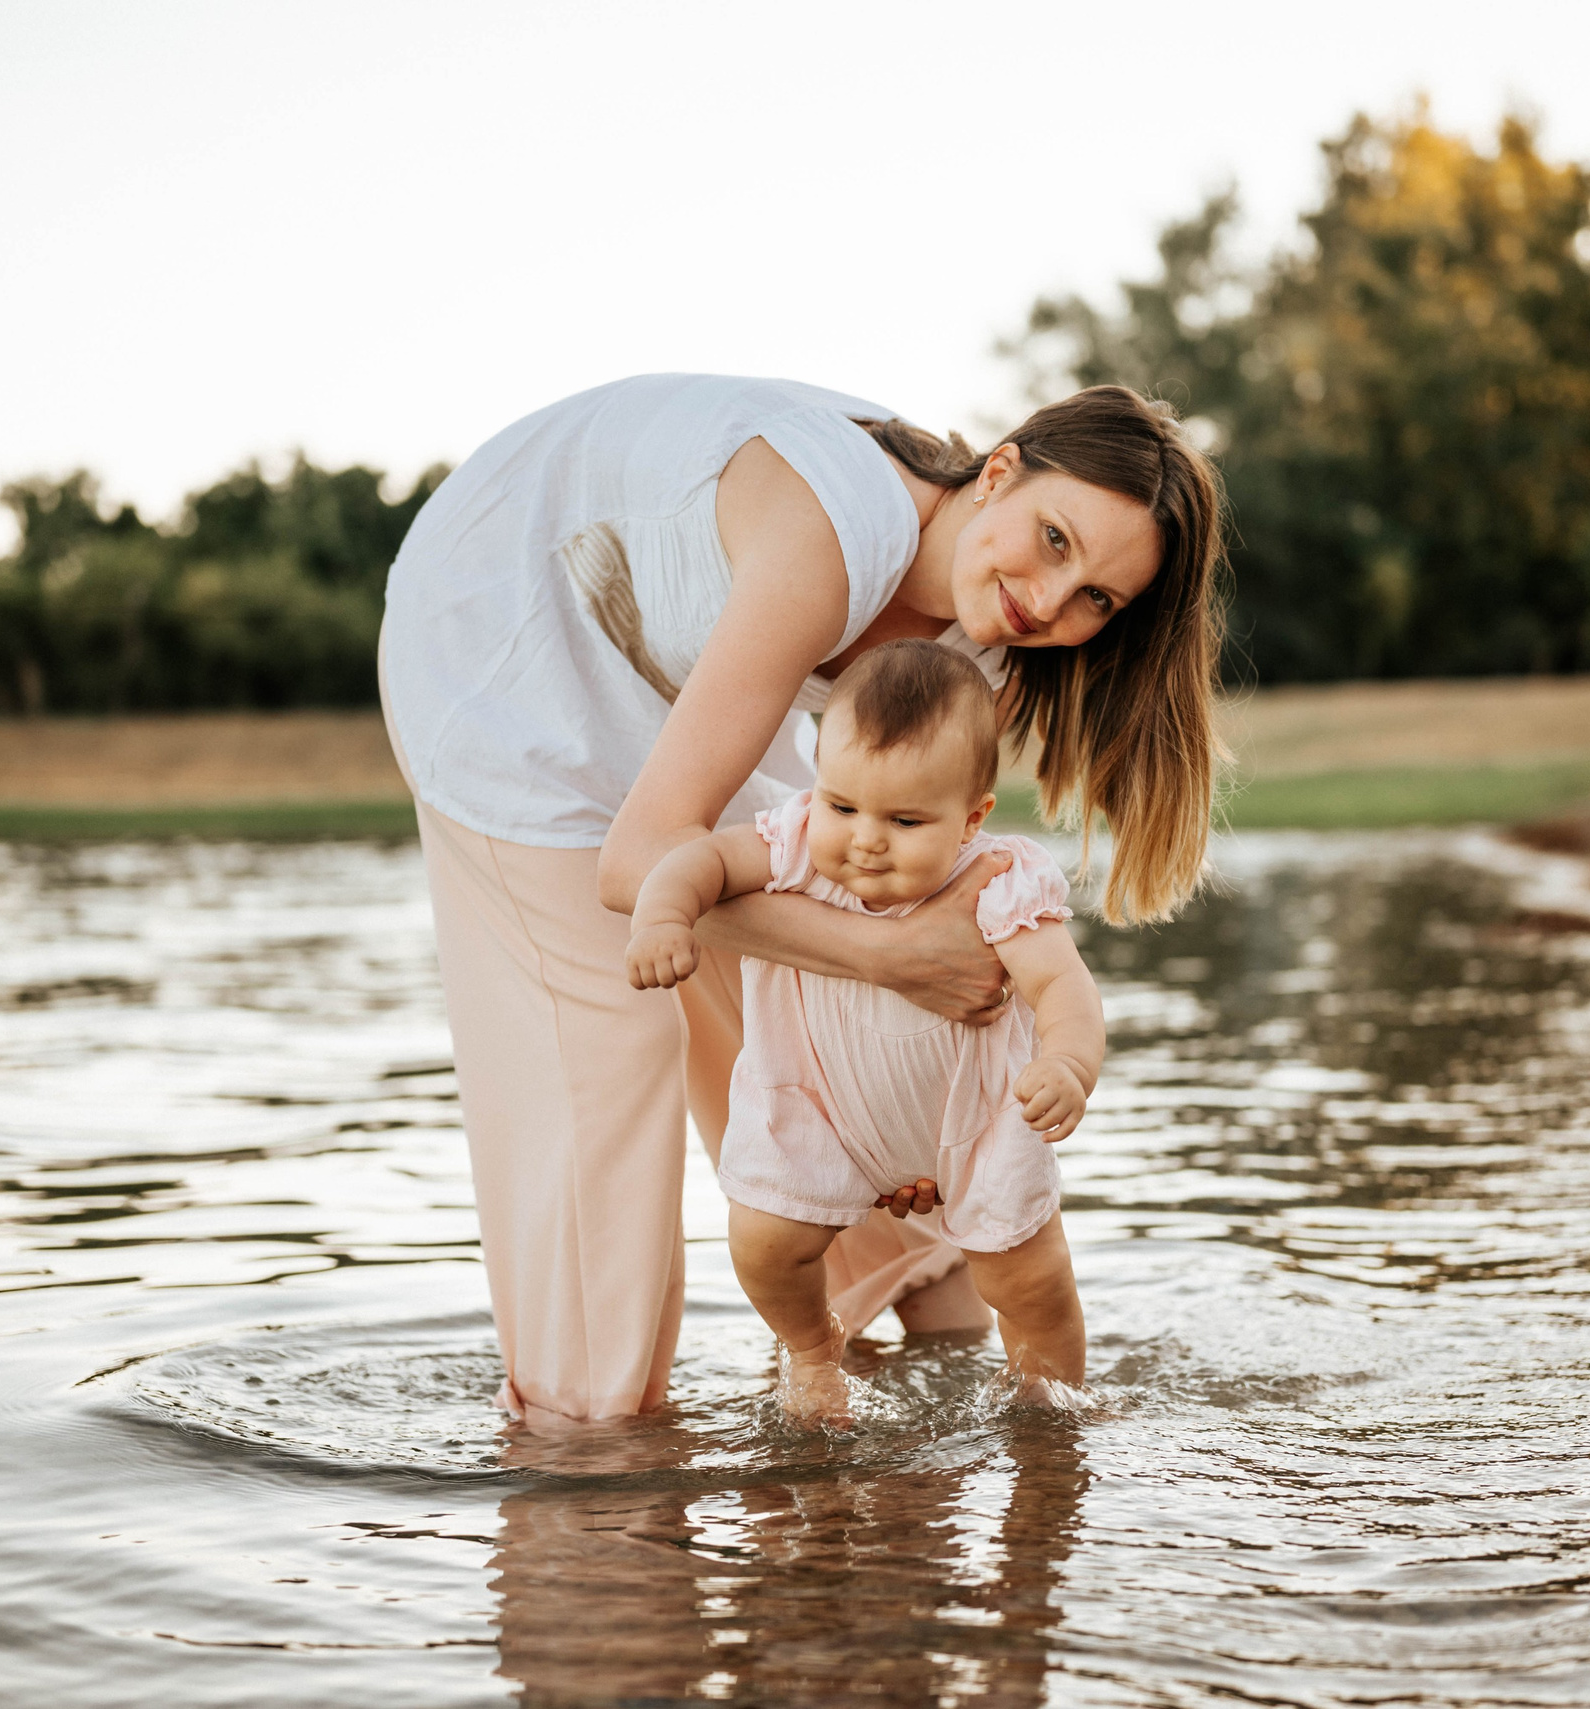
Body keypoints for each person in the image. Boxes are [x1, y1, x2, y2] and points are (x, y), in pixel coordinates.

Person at [379, 373, 1222, 1428]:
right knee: (616, 1034)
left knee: (845, 913)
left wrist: (908, 1120)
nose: (1051, 603)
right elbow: (636, 864)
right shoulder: (829, 534)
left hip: (664, 660)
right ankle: (587, 1461)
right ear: (998, 469)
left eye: (1097, 596)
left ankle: (939, 1376)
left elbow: (898, 934)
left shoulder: (987, 639)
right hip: (504, 625)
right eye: (1054, 540)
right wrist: (885, 959)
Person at [626, 641, 1105, 1421]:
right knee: (763, 1240)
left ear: (971, 819)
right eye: (842, 805)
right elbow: (699, 860)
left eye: (905, 818)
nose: (865, 837)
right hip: (825, 1111)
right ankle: (814, 1350)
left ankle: (1049, 1407)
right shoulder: (792, 846)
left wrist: (1070, 1063)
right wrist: (663, 914)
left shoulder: (995, 882)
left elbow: (1063, 985)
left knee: (1029, 1278)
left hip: (972, 1125)